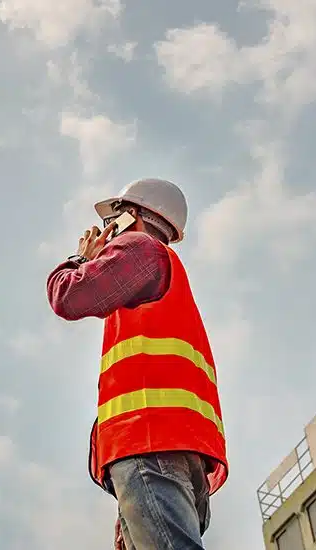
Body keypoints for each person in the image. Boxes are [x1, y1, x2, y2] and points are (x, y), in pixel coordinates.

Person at [45, 178, 228, 550]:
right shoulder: (165, 279)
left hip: (149, 444)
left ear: (132, 216)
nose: (108, 233)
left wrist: (81, 258)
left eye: (114, 221)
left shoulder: (141, 249)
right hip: (176, 451)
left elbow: (68, 295)